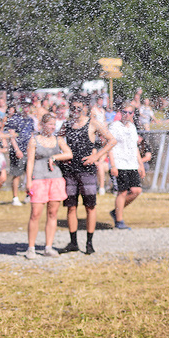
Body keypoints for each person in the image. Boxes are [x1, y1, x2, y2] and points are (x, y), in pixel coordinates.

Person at [57, 96, 116, 254]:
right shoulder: (67, 124)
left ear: (85, 108)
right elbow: (58, 137)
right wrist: (63, 151)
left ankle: (89, 243)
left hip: (87, 171)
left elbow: (112, 140)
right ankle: (73, 242)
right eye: (73, 108)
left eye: (78, 108)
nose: (75, 111)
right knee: (71, 207)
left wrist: (96, 157)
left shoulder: (93, 123)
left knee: (90, 207)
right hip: (69, 171)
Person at [24, 113, 74, 259]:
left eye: (54, 124)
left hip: (55, 179)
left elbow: (68, 153)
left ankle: (48, 246)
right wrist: (28, 180)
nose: (52, 127)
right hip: (38, 179)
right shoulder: (34, 140)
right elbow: (30, 162)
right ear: (43, 124)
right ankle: (31, 248)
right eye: (49, 124)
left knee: (53, 214)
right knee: (35, 214)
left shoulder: (58, 140)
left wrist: (54, 157)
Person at [108, 103, 145, 230]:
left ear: (132, 114)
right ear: (120, 112)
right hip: (119, 163)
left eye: (129, 112)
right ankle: (119, 220)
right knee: (122, 192)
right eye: (124, 112)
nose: (126, 115)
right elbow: (110, 146)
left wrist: (141, 165)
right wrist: (112, 165)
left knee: (136, 190)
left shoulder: (132, 127)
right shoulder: (115, 126)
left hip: (131, 164)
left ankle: (116, 211)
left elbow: (135, 148)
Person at [4, 101, 35, 206]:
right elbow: (12, 136)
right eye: (24, 106)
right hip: (18, 151)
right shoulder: (14, 119)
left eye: (28, 106)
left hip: (28, 151)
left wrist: (31, 149)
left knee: (29, 174)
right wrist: (17, 150)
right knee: (17, 175)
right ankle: (15, 197)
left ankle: (28, 195)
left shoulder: (30, 120)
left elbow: (31, 135)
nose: (26, 108)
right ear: (20, 107)